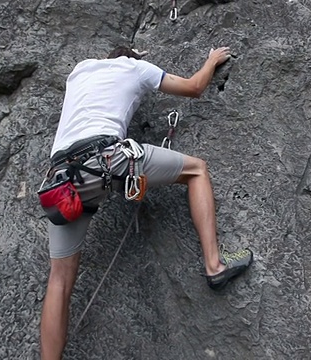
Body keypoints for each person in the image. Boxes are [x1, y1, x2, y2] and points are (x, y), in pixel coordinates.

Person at [40, 46, 254, 359]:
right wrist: (211, 61)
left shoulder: (80, 69)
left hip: (62, 181)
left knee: (58, 281)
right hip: (108, 159)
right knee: (197, 169)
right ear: (134, 56)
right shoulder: (135, 68)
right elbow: (194, 87)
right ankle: (214, 264)